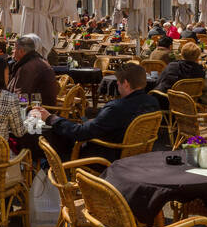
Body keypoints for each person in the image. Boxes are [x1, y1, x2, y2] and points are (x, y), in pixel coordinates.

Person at [33, 62, 164, 162]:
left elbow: (80, 133)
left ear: (126, 84)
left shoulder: (115, 108)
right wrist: (96, 122)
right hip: (137, 155)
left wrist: (51, 118)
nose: (117, 86)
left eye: (118, 83)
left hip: (106, 158)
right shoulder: (153, 102)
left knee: (56, 137)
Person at [8, 34, 59, 106]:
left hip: (38, 110)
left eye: (15, 49)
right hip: (42, 107)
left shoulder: (28, 67)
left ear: (21, 51)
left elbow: (22, 97)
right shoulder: (36, 61)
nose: (13, 51)